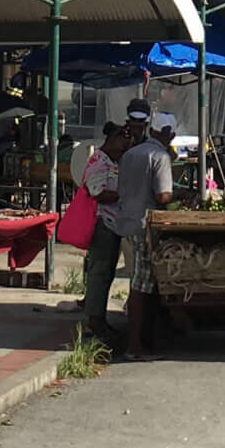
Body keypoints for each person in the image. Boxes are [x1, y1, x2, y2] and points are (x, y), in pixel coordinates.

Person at [110, 100, 175, 360]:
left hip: (126, 221)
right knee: (141, 286)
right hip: (143, 225)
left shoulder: (131, 153)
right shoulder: (159, 156)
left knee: (141, 282)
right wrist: (179, 193)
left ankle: (142, 339)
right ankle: (134, 346)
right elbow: (163, 197)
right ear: (165, 133)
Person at [79, 120, 129, 347]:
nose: (126, 143)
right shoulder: (99, 161)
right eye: (123, 138)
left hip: (114, 223)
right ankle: (93, 322)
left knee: (107, 272)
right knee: (99, 273)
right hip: (102, 223)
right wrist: (125, 194)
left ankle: (100, 319)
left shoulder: (114, 161)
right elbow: (98, 192)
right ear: (112, 139)